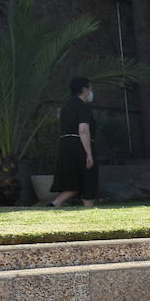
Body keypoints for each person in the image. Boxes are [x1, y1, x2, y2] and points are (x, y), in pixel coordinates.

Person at [50, 76, 99, 207]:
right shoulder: (82, 107)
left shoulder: (67, 105)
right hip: (79, 145)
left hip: (66, 145)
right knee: (88, 177)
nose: (91, 92)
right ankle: (89, 209)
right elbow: (83, 129)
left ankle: (55, 204)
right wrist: (88, 153)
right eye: (90, 89)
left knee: (74, 179)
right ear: (84, 89)